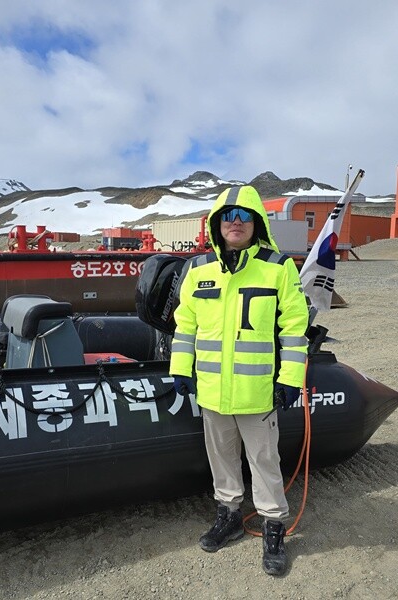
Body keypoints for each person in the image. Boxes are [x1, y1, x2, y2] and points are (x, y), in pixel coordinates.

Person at [169, 185, 309, 576]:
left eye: (244, 215)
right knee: (221, 459)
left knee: (265, 461)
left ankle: (274, 527)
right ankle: (229, 517)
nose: (235, 222)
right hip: (212, 392)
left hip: (257, 391)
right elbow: (186, 326)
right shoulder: (198, 271)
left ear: (256, 222)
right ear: (216, 224)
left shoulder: (278, 267)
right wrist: (181, 368)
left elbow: (294, 328)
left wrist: (289, 378)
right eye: (227, 216)